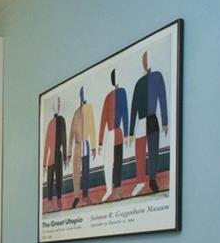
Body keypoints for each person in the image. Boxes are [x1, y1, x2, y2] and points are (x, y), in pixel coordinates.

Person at [128, 50, 169, 193]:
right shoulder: (139, 83)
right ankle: (140, 180)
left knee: (153, 151)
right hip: (141, 121)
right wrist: (130, 131)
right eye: (144, 60)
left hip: (152, 119)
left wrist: (165, 121)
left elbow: (162, 98)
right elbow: (133, 107)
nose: (146, 63)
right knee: (139, 153)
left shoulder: (157, 77)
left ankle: (152, 179)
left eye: (147, 59)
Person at [98, 69, 129, 201]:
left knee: (117, 161)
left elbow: (125, 112)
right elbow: (103, 119)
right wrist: (99, 142)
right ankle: (110, 189)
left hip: (117, 133)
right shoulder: (110, 96)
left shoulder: (121, 93)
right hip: (110, 134)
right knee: (109, 163)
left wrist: (127, 133)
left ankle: (117, 189)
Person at [68, 86, 96, 208]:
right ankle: (76, 197)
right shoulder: (76, 113)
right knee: (76, 173)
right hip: (77, 146)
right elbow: (71, 133)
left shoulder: (89, 109)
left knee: (86, 171)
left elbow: (92, 128)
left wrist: (94, 147)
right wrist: (68, 152)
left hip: (86, 144)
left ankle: (85, 195)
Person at [42, 96, 67, 211]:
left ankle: (59, 199)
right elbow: (47, 144)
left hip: (57, 154)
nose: (56, 107)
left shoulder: (61, 120)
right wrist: (43, 164)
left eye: (58, 104)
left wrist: (65, 157)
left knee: (59, 179)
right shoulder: (50, 123)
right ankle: (50, 201)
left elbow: (64, 139)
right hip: (51, 156)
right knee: (50, 180)